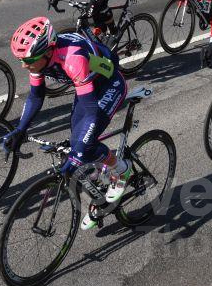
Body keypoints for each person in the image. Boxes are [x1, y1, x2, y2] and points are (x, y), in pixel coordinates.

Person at [7, 17, 132, 230]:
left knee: (85, 144)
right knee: (78, 142)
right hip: (88, 86)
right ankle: (98, 184)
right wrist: (20, 129)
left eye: (26, 60)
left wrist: (79, 153)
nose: (23, 64)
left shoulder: (73, 58)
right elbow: (36, 97)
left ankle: (121, 171)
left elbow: (92, 113)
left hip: (109, 85)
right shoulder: (39, 57)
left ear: (46, 53)